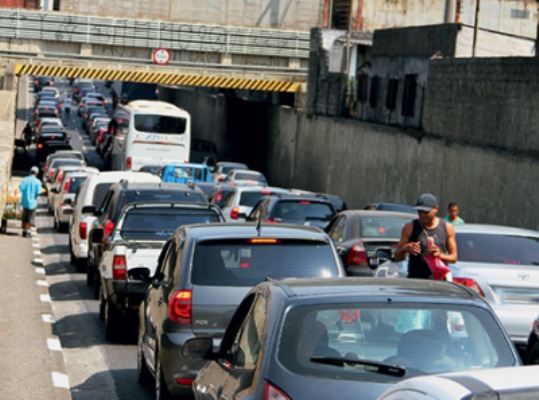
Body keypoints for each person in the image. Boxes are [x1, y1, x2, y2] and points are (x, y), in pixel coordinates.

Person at [394, 193, 457, 279]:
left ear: (436, 208)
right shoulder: (410, 227)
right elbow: (397, 257)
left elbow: (454, 258)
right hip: (416, 281)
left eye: (426, 212)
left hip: (438, 282)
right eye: (419, 211)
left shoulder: (447, 227)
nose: (422, 215)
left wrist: (440, 255)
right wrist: (405, 248)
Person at [19, 166, 42, 238]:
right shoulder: (38, 182)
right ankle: (27, 232)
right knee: (30, 218)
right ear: (37, 173)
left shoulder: (25, 180)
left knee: (24, 217)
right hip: (33, 202)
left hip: (24, 201)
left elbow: (21, 188)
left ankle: (24, 231)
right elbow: (38, 192)